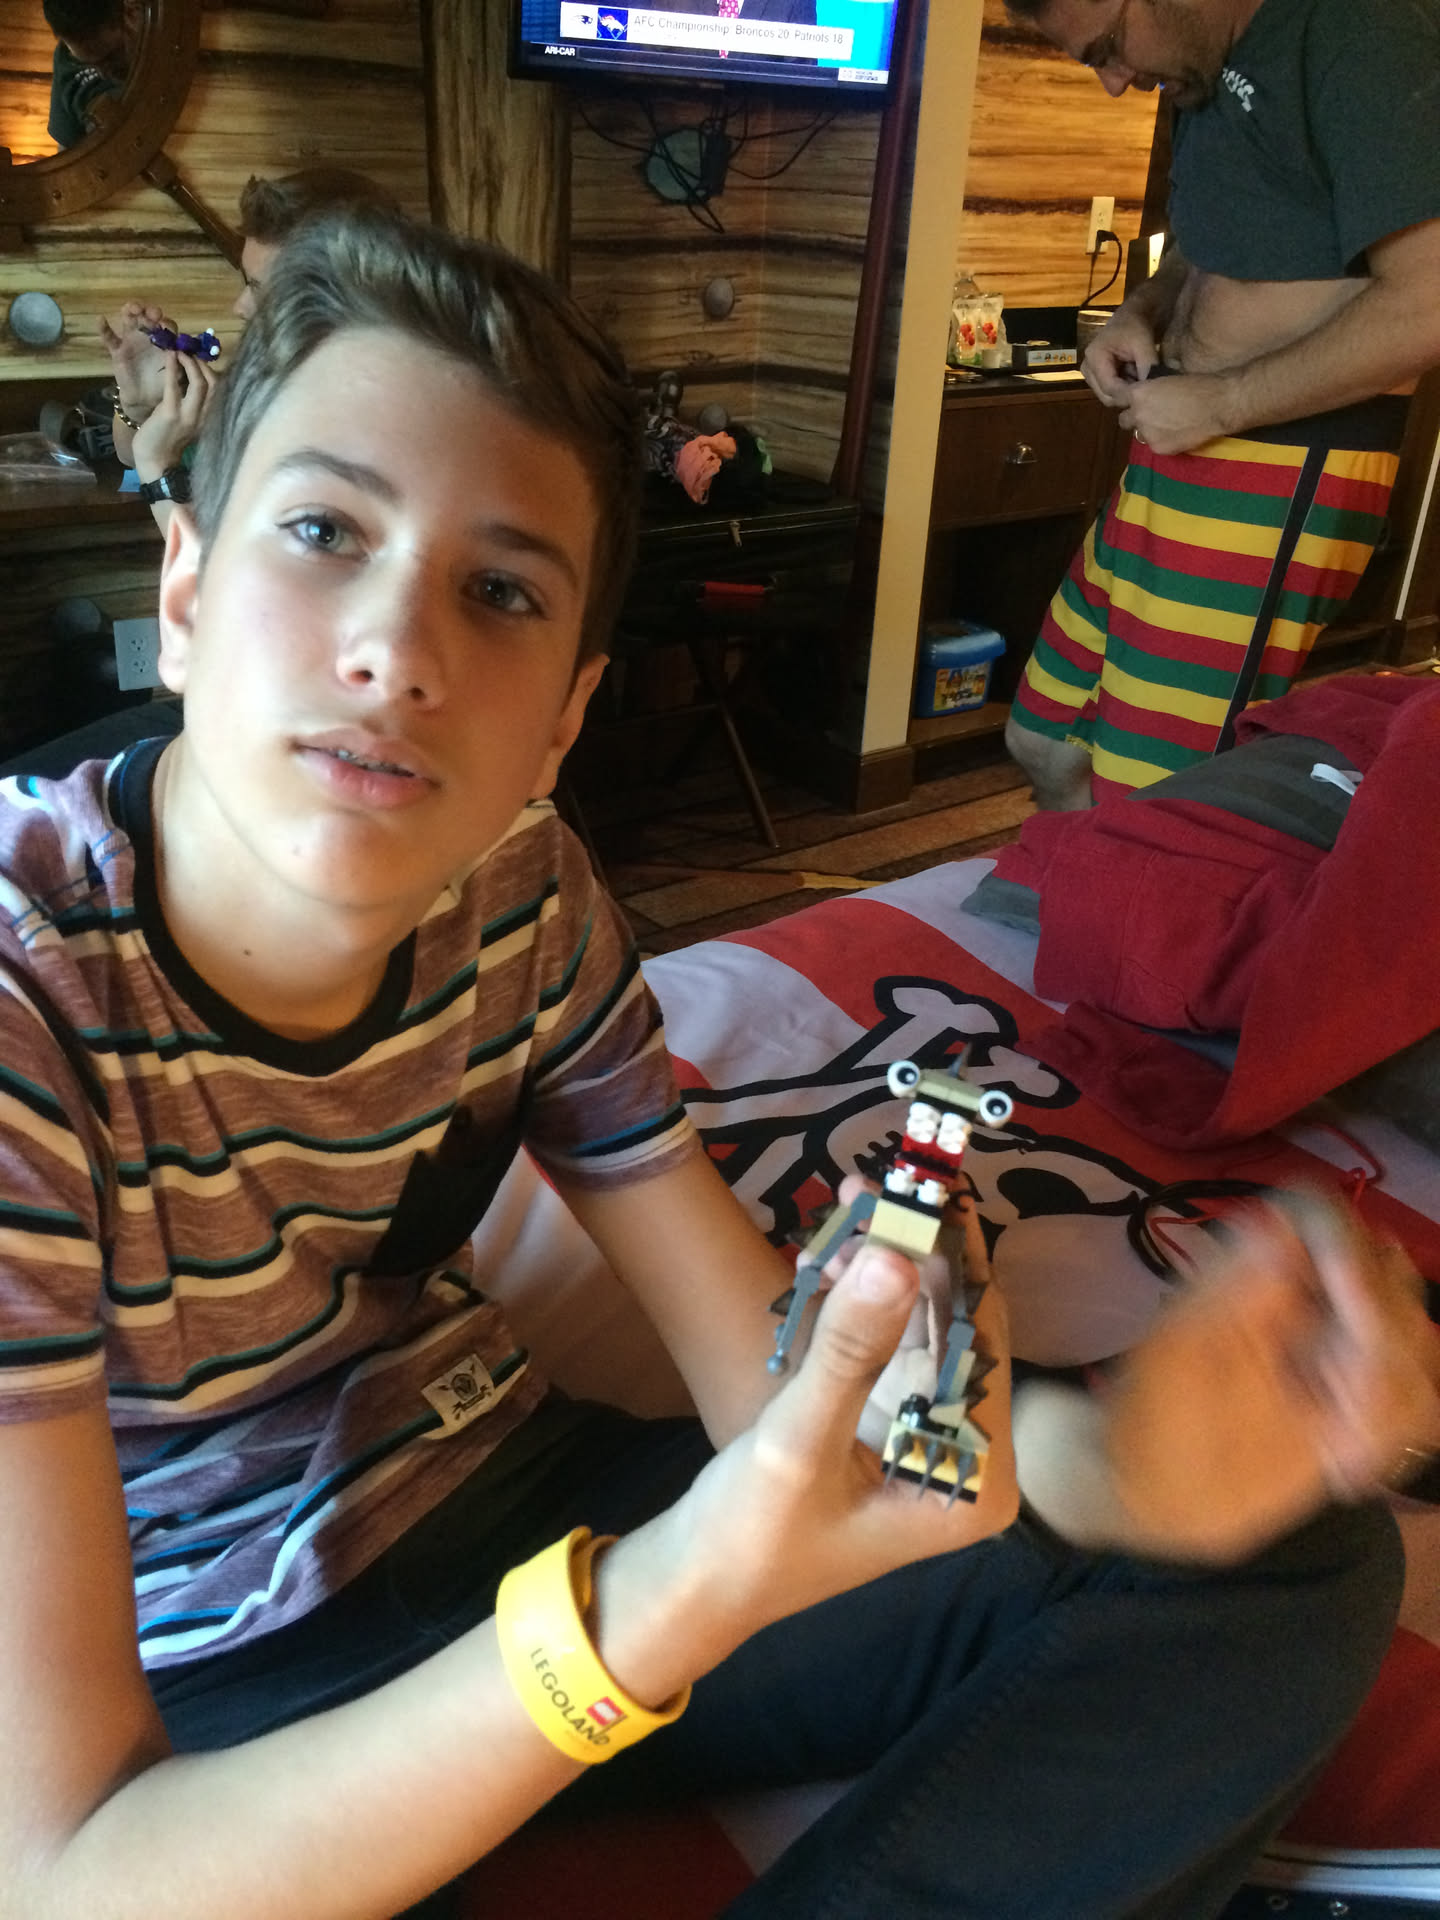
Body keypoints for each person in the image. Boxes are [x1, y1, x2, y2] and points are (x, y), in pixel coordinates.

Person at [0, 207, 1436, 1920]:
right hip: (213, 1696)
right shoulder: (23, 1006)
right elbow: (66, 1871)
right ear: (181, 592)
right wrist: (670, 1599)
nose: (398, 652)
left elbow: (755, 1367)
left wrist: (1099, 1466)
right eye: (324, 530)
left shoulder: (523, 896)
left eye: (499, 590)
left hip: (508, 1489)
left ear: (565, 714)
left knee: (1295, 1560)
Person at [1001, 0, 1440, 808]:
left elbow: (1429, 302)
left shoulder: (1363, 32)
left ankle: (1137, 888)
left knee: (1154, 797)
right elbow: (1212, 246)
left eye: (1108, 47)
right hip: (1178, 445)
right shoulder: (1203, 68)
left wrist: (1226, 403)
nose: (1113, 82)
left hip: (1280, 466)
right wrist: (1141, 311)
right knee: (1045, 741)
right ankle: (1087, 882)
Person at [103, 166, 400, 532]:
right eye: (246, 281)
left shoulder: (354, 428)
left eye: (262, 289)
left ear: (341, 294)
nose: (240, 306)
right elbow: (127, 459)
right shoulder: (271, 377)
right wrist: (136, 405)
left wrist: (157, 468)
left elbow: (213, 570)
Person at [43, 0, 136, 148]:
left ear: (129, 14)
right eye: (87, 63)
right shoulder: (64, 58)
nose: (103, 74)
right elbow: (67, 147)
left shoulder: (159, 38)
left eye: (110, 57)